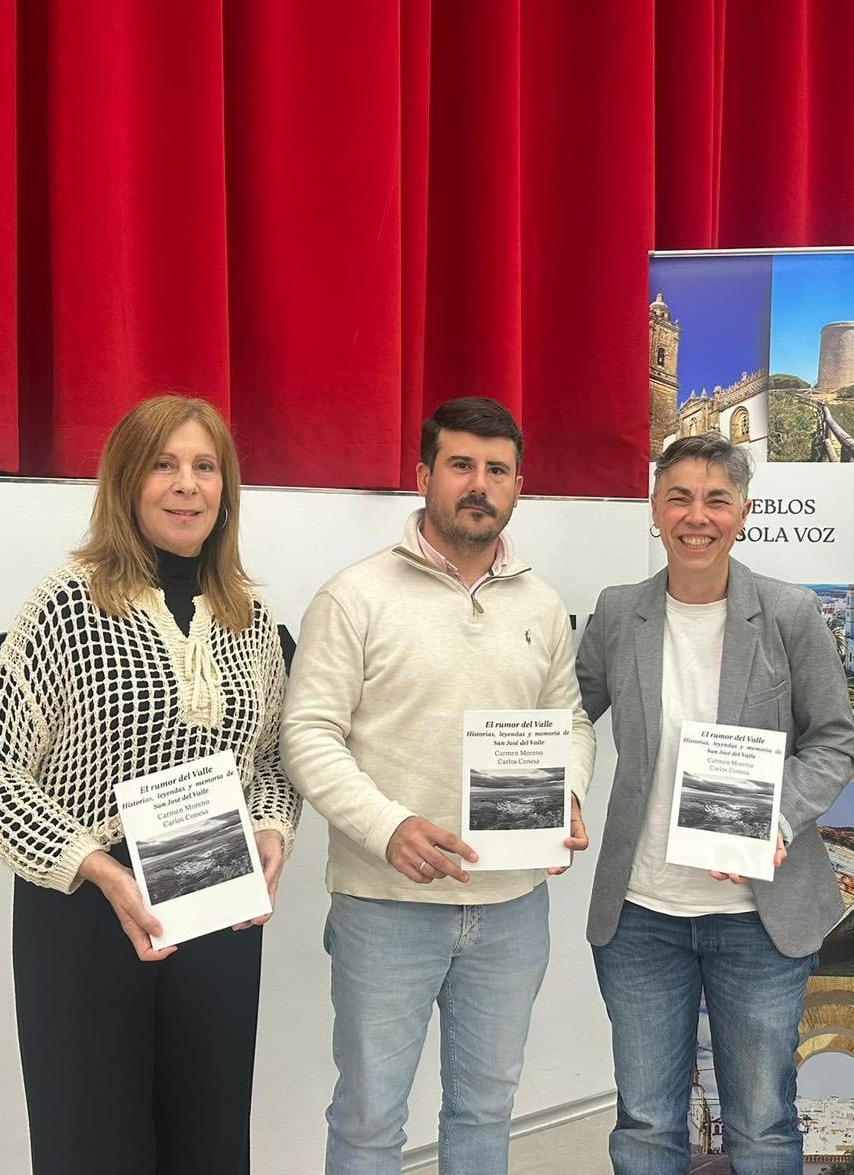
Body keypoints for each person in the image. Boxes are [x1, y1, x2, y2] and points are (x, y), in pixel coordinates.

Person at [0, 394, 301, 1175]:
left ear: (226, 488)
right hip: (86, 909)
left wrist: (272, 828)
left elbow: (273, 762)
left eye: (205, 467)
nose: (187, 485)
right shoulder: (68, 603)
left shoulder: (249, 615)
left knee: (210, 1137)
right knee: (93, 1144)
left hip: (215, 898)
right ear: (125, 481)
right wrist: (101, 870)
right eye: (164, 465)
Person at [281, 395, 595, 1174]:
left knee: (485, 1113)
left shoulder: (543, 603)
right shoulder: (354, 595)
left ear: (518, 486)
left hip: (512, 908)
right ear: (424, 476)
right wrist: (387, 826)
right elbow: (307, 734)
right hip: (386, 906)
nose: (479, 485)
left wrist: (569, 791)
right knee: (369, 1120)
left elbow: (571, 720)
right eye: (461, 465)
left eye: (497, 470)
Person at [576, 433, 854, 1175]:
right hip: (641, 913)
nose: (696, 516)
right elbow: (570, 715)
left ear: (744, 513)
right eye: (679, 498)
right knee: (645, 1122)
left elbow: (834, 740)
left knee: (762, 1124)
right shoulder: (617, 612)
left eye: (716, 500)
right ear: (654, 510)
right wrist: (545, 790)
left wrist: (777, 815)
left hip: (757, 915)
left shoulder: (790, 612)